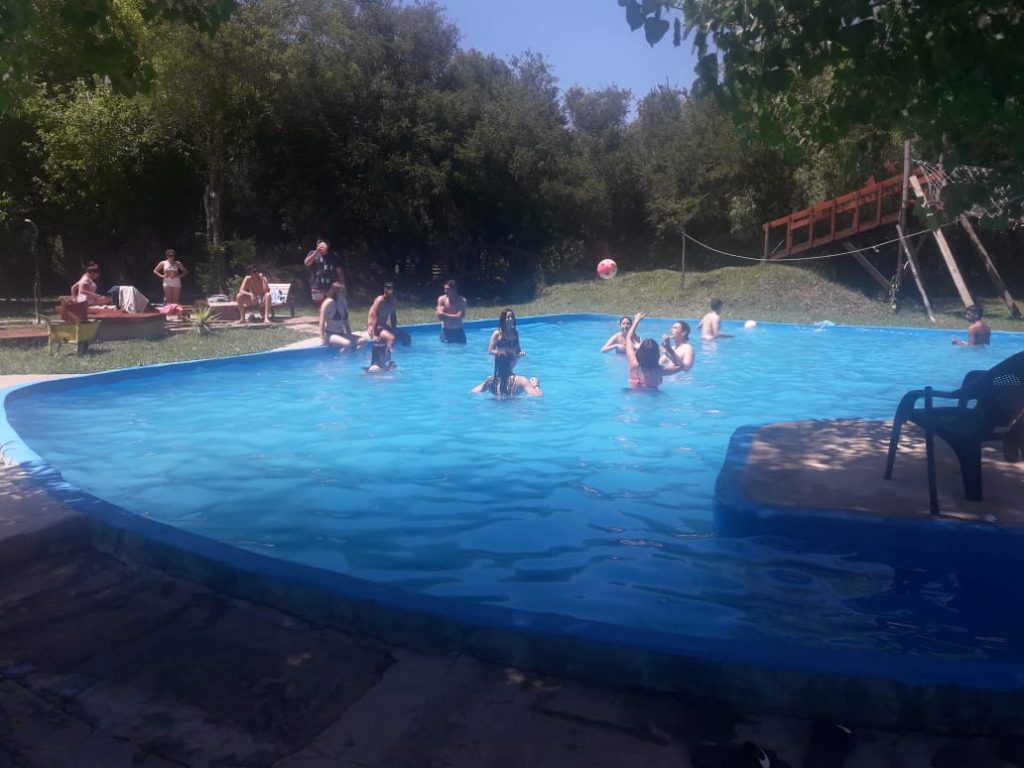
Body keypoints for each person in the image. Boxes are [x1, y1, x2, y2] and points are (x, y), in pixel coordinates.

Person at [624, 312, 684, 391]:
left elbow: (628, 338)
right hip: (654, 397)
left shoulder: (633, 364)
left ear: (639, 353)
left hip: (632, 394)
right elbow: (680, 366)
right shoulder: (659, 371)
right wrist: (668, 348)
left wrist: (636, 321)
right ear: (657, 355)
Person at [471, 347, 542, 397]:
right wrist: (536, 385)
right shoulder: (521, 381)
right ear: (513, 363)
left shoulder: (491, 381)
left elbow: (473, 392)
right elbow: (538, 396)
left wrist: (487, 382)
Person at [319, 281, 366, 352]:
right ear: (336, 292)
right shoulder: (329, 302)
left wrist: (349, 334)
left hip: (341, 334)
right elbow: (322, 321)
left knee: (363, 341)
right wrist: (322, 338)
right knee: (347, 344)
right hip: (330, 335)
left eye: (345, 291)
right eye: (343, 291)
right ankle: (341, 358)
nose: (345, 293)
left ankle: (352, 355)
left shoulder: (343, 302)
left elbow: (346, 321)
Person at [367, 281, 411, 350]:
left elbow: (393, 317)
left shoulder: (393, 301)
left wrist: (394, 329)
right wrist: (374, 334)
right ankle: (390, 355)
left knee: (407, 337)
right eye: (389, 289)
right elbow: (374, 317)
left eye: (392, 289)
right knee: (391, 338)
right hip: (376, 327)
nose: (391, 291)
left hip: (384, 326)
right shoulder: (379, 301)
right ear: (385, 290)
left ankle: (406, 354)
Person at [303, 239, 344, 304]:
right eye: (319, 243)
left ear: (328, 245)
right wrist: (316, 252)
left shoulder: (333, 255)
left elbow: (339, 270)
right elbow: (306, 263)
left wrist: (342, 282)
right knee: (318, 304)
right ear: (317, 244)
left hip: (330, 285)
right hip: (316, 285)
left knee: (330, 304)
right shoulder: (312, 253)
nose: (321, 244)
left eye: (324, 243)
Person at [436, 279, 468, 343]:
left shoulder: (461, 300)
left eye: (448, 289)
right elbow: (440, 316)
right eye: (445, 289)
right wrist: (454, 316)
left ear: (454, 290)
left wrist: (444, 314)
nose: (445, 291)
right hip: (445, 331)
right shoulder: (442, 299)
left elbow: (459, 317)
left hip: (458, 331)